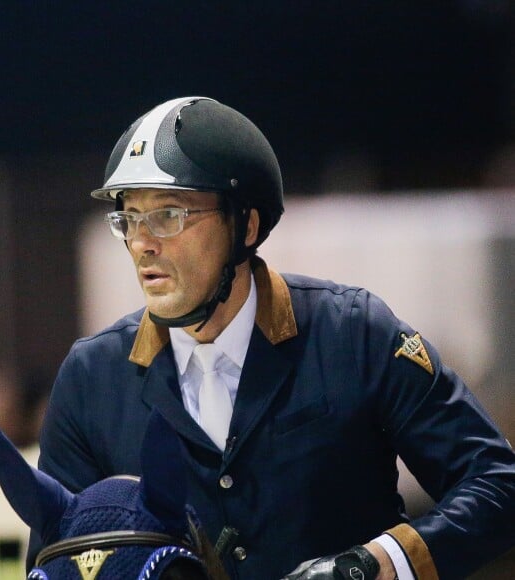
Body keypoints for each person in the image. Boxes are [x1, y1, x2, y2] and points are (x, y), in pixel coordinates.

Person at [31, 96, 515, 580]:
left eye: (169, 214)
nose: (141, 242)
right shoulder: (89, 378)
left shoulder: (353, 333)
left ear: (247, 225)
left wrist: (376, 564)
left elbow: (498, 484)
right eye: (129, 218)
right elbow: (52, 562)